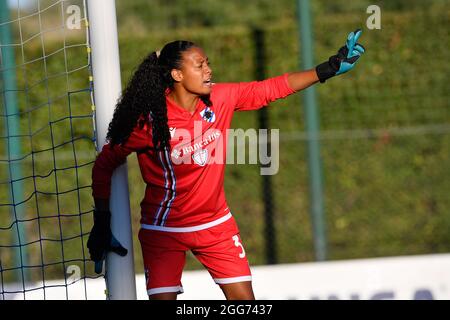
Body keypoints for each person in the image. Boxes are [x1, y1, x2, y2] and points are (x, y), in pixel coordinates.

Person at [87, 30, 365, 300]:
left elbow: (270, 88)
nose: (208, 70)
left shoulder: (219, 98)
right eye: (200, 65)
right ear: (177, 75)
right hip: (164, 231)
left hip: (216, 226)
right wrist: (101, 221)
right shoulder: (149, 122)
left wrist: (326, 68)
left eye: (208, 63)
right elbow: (104, 164)